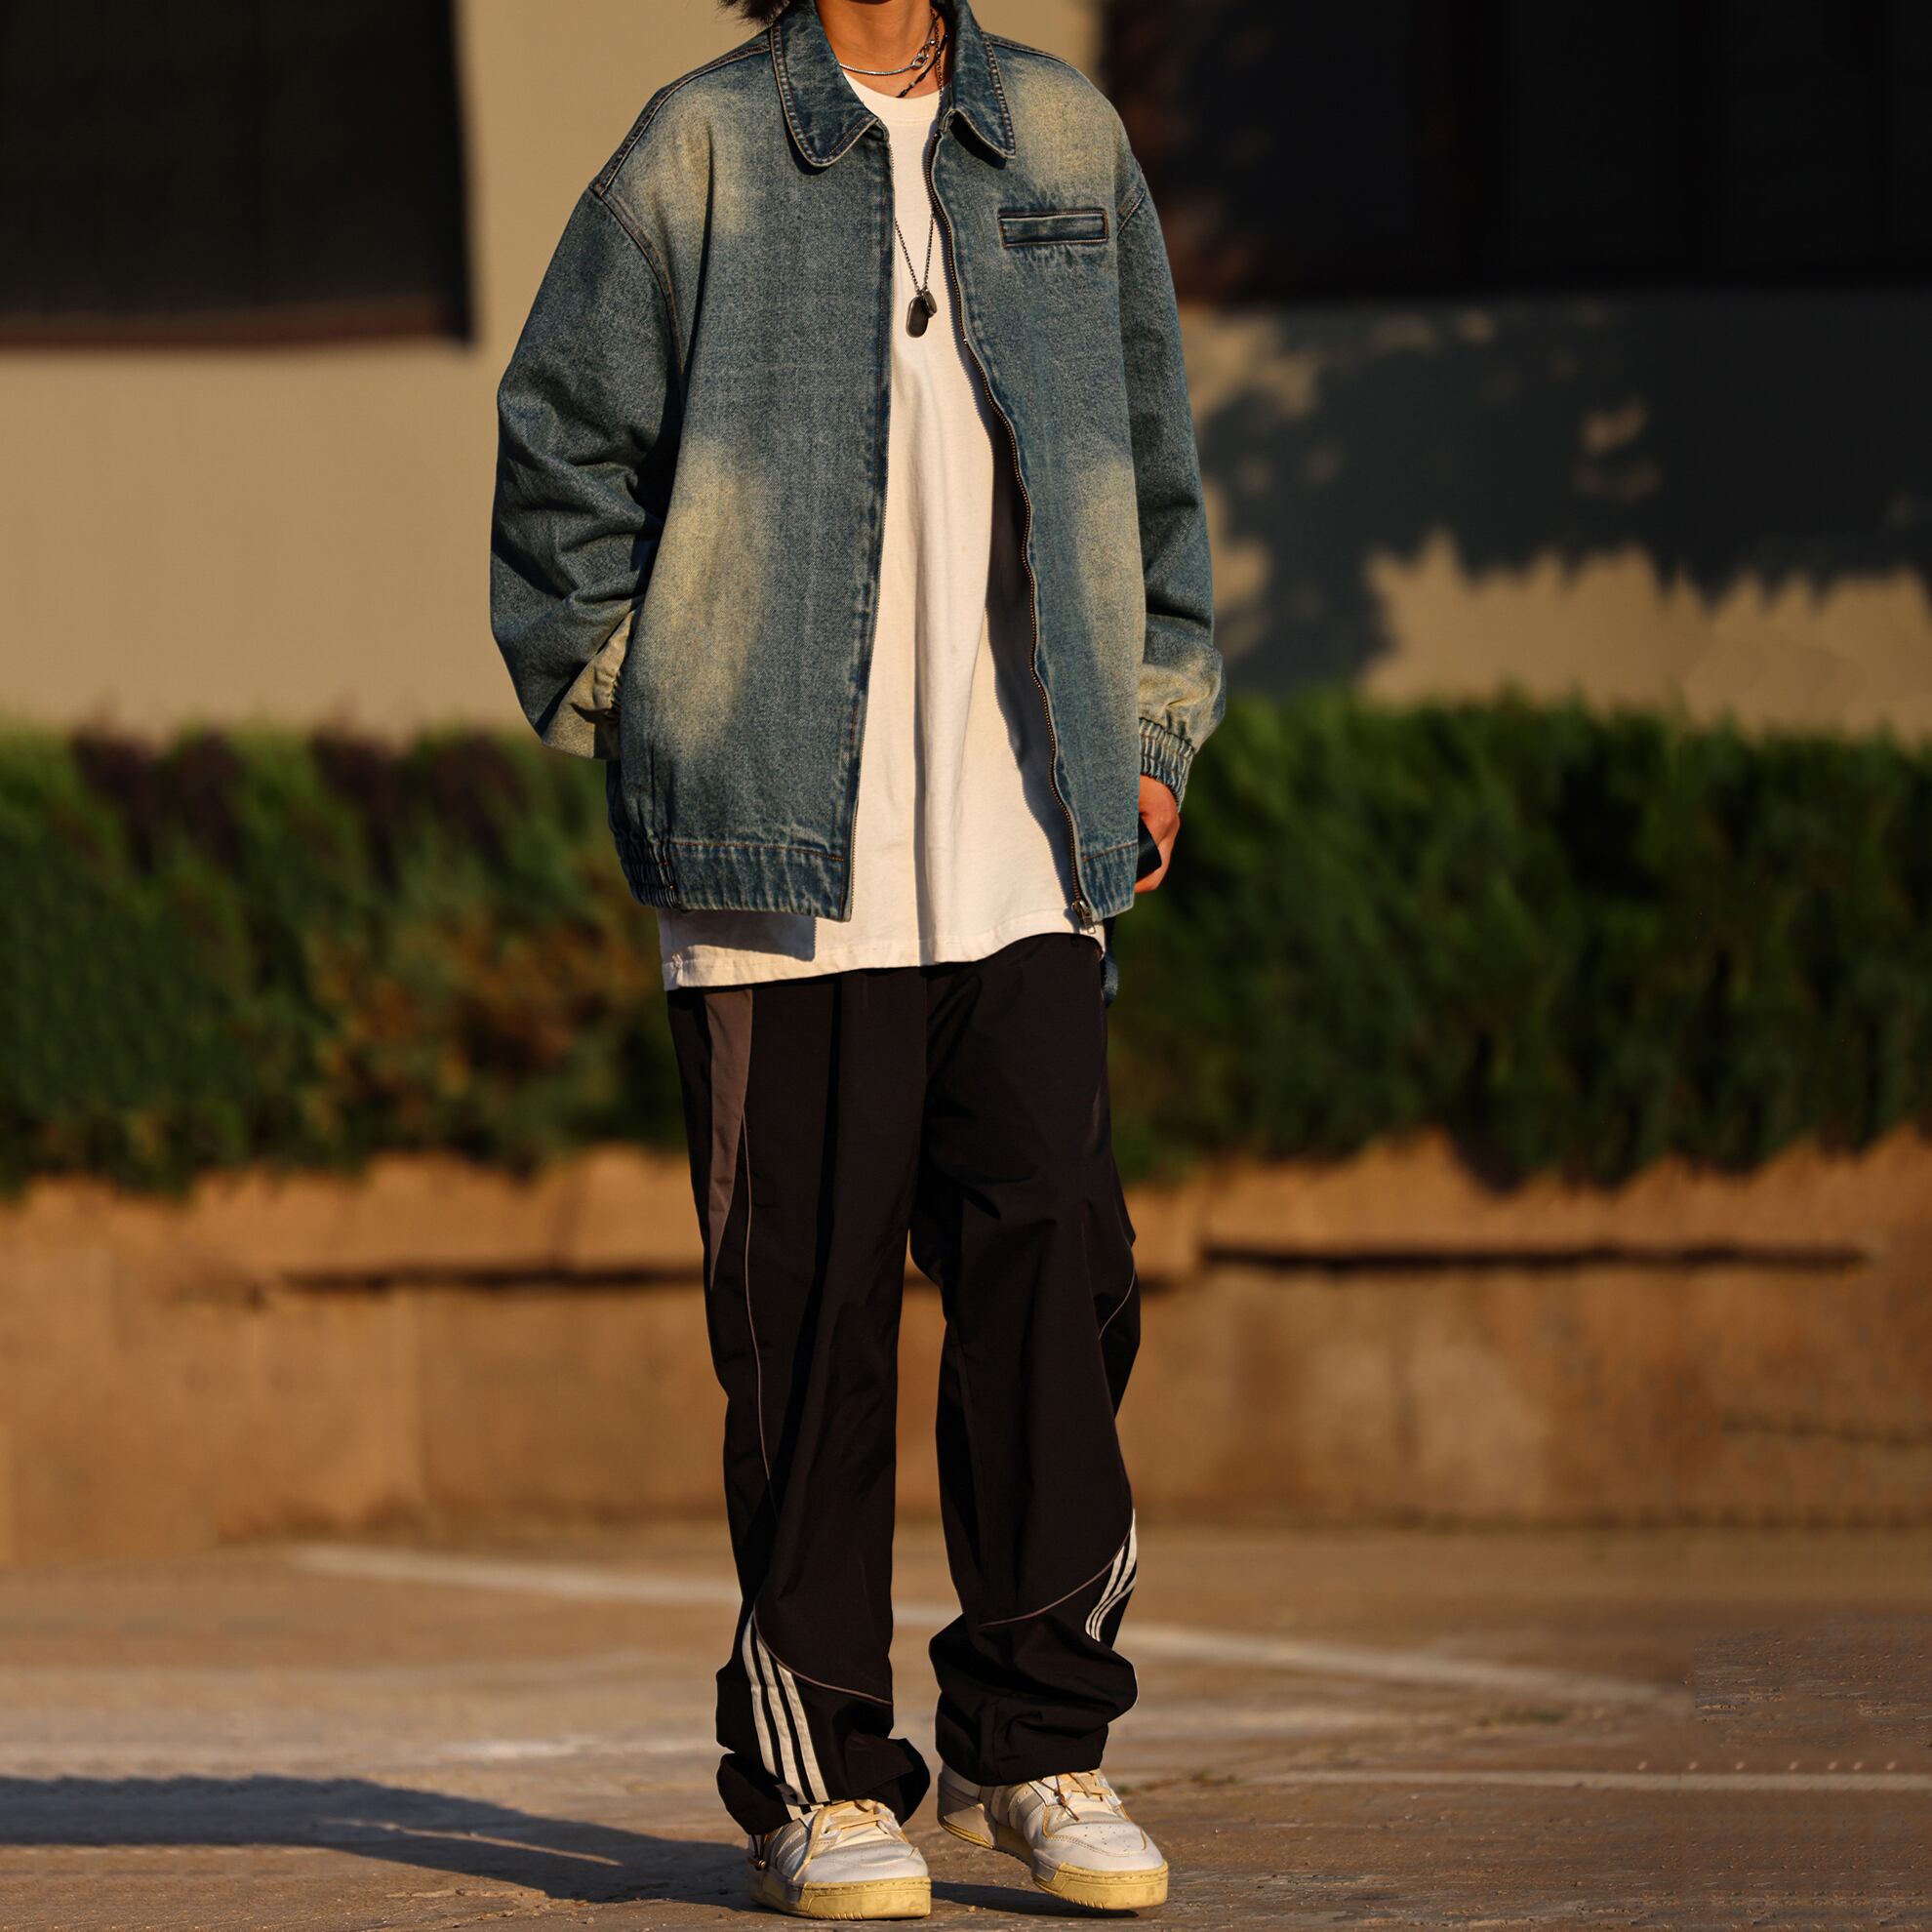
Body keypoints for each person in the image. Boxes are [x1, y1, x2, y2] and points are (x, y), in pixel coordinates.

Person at [490, 0, 1220, 1916]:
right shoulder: (700, 148)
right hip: (775, 880)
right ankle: (819, 1779)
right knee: (809, 1336)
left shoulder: (1061, 139)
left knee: (1059, 1302)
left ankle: (1034, 1747)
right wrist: (655, 717)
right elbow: (559, 450)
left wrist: (1152, 726)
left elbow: (1149, 457)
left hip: (1024, 849)